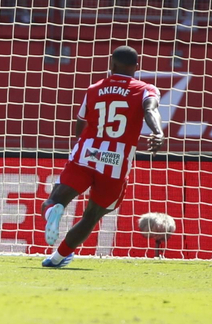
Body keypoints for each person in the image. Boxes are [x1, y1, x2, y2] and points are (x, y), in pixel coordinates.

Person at [41, 46, 164, 268]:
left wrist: (86, 148)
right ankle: (57, 258)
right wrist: (157, 131)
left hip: (87, 153)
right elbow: (150, 109)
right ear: (136, 67)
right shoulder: (146, 89)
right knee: (91, 216)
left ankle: (53, 212)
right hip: (116, 162)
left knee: (54, 199)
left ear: (111, 64)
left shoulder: (94, 88)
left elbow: (80, 126)